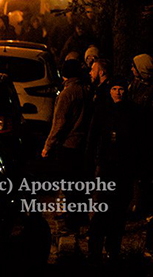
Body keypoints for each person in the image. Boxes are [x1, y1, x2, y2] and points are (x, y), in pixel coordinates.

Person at [86, 77, 139, 263]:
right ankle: (95, 248)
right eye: (115, 88)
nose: (118, 92)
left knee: (119, 210)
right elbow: (93, 137)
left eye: (121, 89)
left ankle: (112, 247)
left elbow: (138, 141)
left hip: (124, 167)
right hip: (106, 166)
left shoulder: (133, 112)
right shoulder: (103, 110)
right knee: (102, 208)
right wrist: (92, 161)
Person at [42, 59, 91, 228]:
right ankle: (80, 215)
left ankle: (72, 218)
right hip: (83, 142)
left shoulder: (67, 94)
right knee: (79, 183)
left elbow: (59, 123)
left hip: (68, 144)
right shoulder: (86, 90)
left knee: (69, 184)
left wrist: (48, 145)